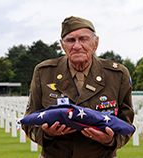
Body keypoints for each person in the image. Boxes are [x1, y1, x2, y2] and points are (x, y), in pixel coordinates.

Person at [22, 16, 135, 158]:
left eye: (83, 39)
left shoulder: (117, 75)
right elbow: (29, 121)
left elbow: (127, 123)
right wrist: (47, 134)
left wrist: (111, 140)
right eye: (70, 40)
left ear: (96, 43)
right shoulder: (44, 72)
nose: (76, 46)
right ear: (62, 45)